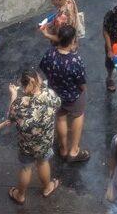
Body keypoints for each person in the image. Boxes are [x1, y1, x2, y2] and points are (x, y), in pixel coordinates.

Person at [5, 68, 60, 202]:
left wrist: (13, 95)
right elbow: (57, 104)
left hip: (26, 145)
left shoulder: (19, 104)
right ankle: (47, 187)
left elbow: (10, 118)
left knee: (26, 168)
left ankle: (20, 195)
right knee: (43, 163)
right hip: (45, 142)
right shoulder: (49, 94)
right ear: (38, 80)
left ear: (22, 86)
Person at [40, 24, 89, 163]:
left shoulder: (49, 54)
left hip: (55, 94)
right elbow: (81, 82)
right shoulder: (75, 60)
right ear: (73, 40)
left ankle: (63, 149)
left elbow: (44, 69)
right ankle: (74, 151)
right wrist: (84, 90)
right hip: (73, 96)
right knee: (77, 116)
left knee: (60, 118)